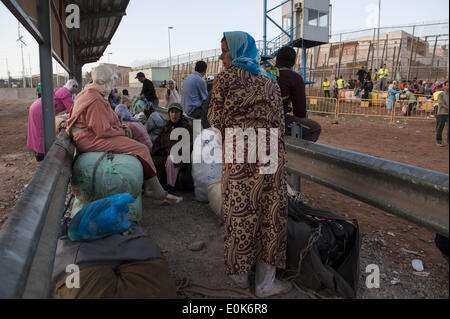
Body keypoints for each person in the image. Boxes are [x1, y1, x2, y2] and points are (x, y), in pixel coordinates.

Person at [208, 31, 292, 298]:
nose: (221, 56)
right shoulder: (270, 80)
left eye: (225, 51)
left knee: (240, 210)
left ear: (236, 50)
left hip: (240, 149)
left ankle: (239, 277)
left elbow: (214, 119)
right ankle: (266, 283)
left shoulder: (225, 78)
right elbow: (280, 121)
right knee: (269, 212)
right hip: (269, 150)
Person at [66, 65, 181, 206]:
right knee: (140, 149)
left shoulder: (90, 94)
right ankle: (158, 192)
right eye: (111, 80)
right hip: (91, 139)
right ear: (105, 81)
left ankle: (150, 188)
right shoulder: (95, 99)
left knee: (135, 144)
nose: (113, 83)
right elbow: (102, 131)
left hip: (91, 136)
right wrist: (123, 132)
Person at [274, 46, 322, 142]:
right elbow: (300, 111)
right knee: (315, 128)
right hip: (275, 120)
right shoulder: (294, 78)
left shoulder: (264, 73)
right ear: (293, 62)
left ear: (277, 59)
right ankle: (293, 152)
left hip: (253, 118)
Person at [27, 79, 78, 162]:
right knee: (41, 131)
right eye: (75, 87)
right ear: (72, 86)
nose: (75, 90)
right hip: (41, 110)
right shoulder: (66, 93)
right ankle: (41, 153)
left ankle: (37, 151)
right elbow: (73, 109)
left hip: (37, 107)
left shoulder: (63, 91)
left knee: (36, 130)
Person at [151, 103, 192, 195]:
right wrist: (160, 151)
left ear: (180, 114)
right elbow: (157, 142)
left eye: (177, 112)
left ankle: (171, 188)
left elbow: (188, 145)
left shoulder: (186, 127)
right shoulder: (166, 127)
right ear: (169, 114)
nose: (174, 115)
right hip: (165, 154)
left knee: (172, 159)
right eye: (172, 112)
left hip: (180, 156)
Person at [436, 80, 449, 147]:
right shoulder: (441, 94)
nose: (448, 87)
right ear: (444, 86)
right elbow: (441, 104)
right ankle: (439, 141)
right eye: (447, 85)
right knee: (440, 128)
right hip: (441, 113)